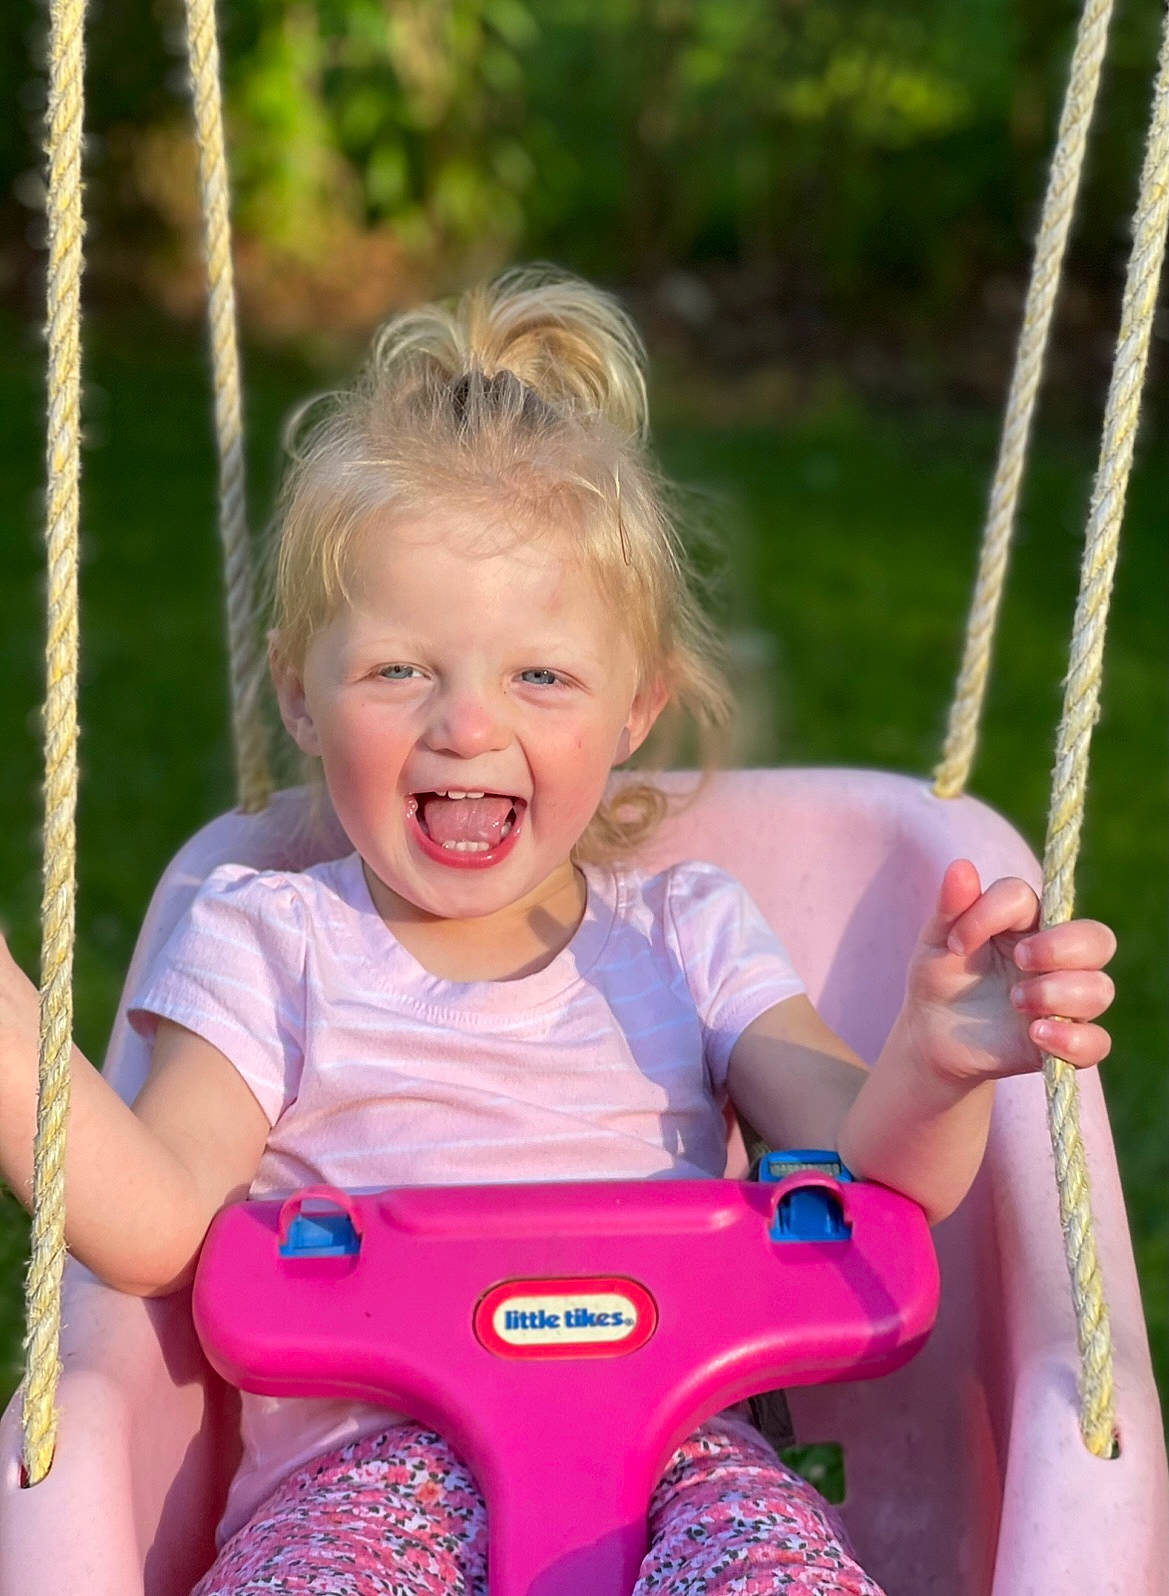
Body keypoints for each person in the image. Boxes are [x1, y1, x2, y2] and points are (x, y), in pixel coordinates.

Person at [0, 267, 1116, 1596]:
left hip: (684, 1463)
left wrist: (933, 1063)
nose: (467, 725)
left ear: (634, 709)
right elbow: (155, 1218)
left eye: (539, 675)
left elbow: (879, 1182)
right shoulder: (272, 942)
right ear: (299, 696)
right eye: (398, 668)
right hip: (364, 1479)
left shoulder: (689, 939)